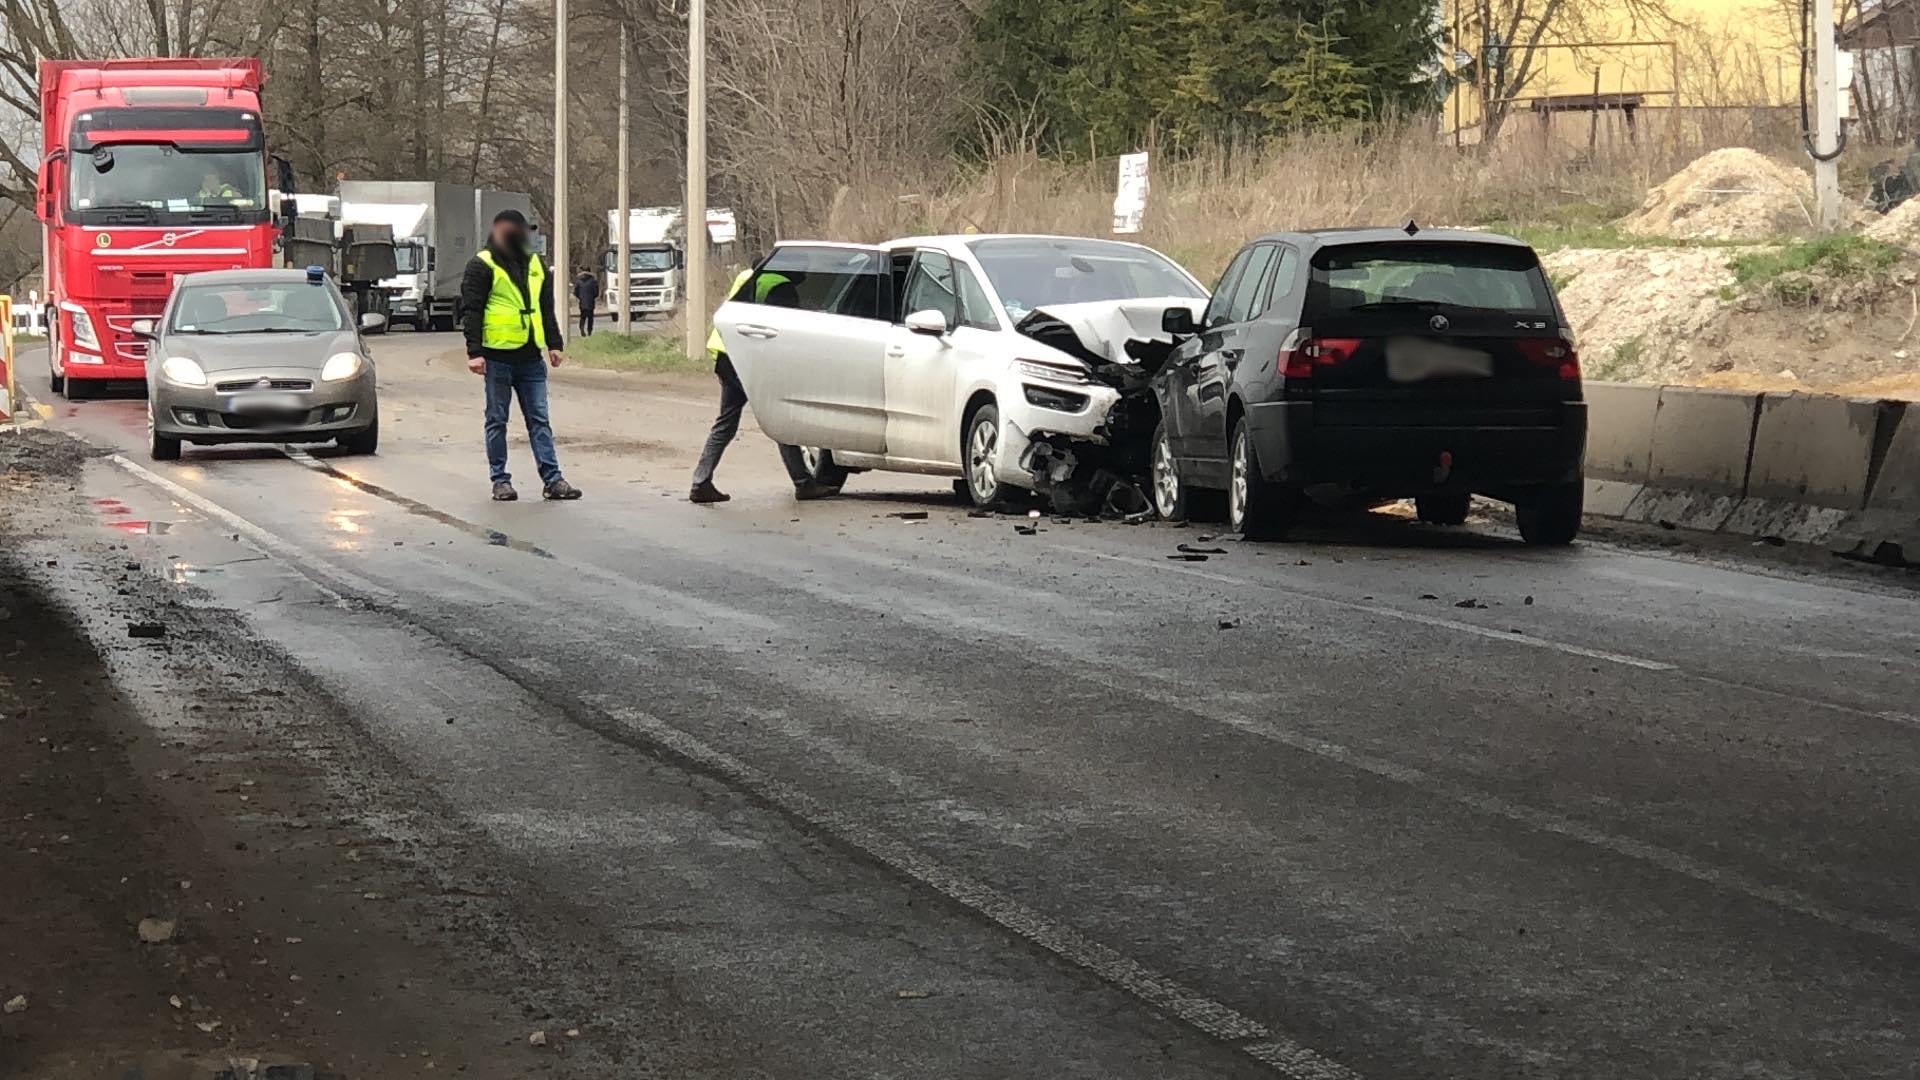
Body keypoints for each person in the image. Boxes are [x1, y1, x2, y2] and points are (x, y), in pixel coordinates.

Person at [461, 209, 583, 502]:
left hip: (530, 356)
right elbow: (471, 311)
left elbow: (546, 308)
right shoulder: (482, 264)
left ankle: (553, 480)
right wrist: (475, 352)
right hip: (497, 356)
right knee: (497, 420)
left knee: (539, 419)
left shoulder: (537, 264)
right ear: (500, 231)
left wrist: (555, 344)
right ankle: (500, 480)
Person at [689, 267, 835, 504]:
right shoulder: (782, 287)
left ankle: (700, 482)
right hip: (753, 361)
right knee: (779, 420)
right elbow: (785, 333)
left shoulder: (747, 276)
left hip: (728, 357)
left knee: (726, 423)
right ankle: (803, 483)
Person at [573, 270, 598, 337]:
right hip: (590, 303)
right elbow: (596, 293)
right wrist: (592, 297)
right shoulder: (593, 281)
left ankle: (581, 329)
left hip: (582, 303)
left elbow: (575, 292)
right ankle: (589, 331)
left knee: (582, 317)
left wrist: (580, 297)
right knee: (590, 318)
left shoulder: (579, 281)